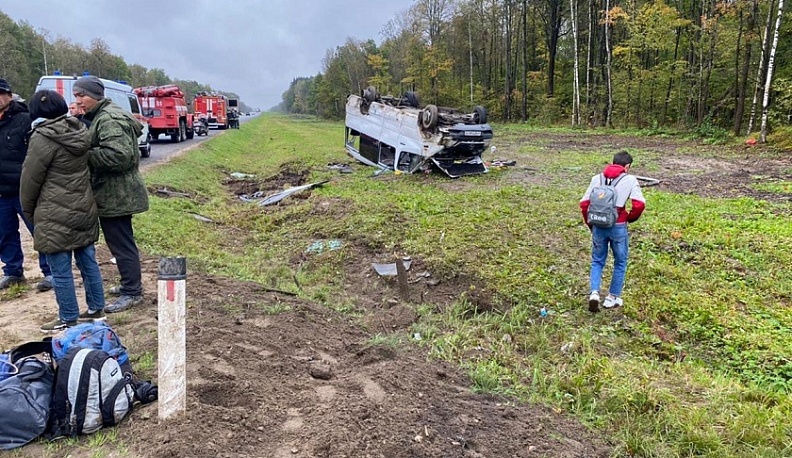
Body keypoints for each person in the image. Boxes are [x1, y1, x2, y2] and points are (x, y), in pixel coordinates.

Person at [20, 90, 106, 331]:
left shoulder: (42, 137)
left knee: (60, 269)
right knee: (88, 260)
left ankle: (68, 317)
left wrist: (28, 211)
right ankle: (97, 308)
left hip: (54, 211)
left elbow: (30, 179)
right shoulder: (79, 129)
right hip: (83, 205)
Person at [73, 75, 149, 313]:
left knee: (122, 244)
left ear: (95, 95)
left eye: (81, 95)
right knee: (119, 243)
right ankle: (129, 284)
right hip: (113, 192)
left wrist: (83, 155)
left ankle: (132, 292)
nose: (78, 101)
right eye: (76, 96)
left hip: (117, 194)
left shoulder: (108, 119)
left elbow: (119, 156)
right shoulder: (102, 116)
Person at [0, 77, 53, 291]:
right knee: (5, 234)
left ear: (9, 96)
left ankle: (50, 272)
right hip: (1, 193)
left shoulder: (25, 119)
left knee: (38, 231)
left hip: (25, 190)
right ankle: (13, 272)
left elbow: (38, 154)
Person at [579, 151, 646, 312]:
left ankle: (594, 293)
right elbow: (639, 204)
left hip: (598, 225)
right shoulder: (629, 180)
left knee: (597, 260)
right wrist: (629, 218)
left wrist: (591, 224)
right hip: (618, 225)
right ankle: (612, 298)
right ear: (627, 166)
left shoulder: (597, 178)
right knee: (620, 261)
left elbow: (584, 203)